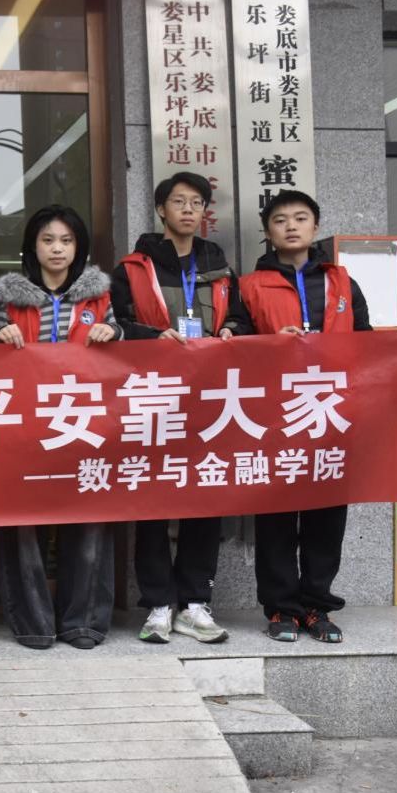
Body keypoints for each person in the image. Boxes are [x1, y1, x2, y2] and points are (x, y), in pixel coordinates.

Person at [110, 171, 252, 645]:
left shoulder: (220, 266)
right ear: (161, 210)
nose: (188, 210)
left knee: (204, 496)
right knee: (154, 498)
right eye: (178, 201)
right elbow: (116, 324)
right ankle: (158, 604)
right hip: (153, 396)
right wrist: (154, 336)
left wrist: (232, 329)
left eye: (196, 202)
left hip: (210, 398)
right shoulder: (133, 268)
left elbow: (242, 318)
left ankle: (195, 602)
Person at [240, 190, 371, 644]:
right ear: (267, 231)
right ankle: (281, 608)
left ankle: (317, 607)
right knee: (276, 515)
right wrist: (272, 342)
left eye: (300, 218)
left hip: (330, 413)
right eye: (280, 219)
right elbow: (232, 345)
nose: (291, 226)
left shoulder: (342, 282)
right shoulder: (248, 286)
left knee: (327, 515)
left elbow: (367, 341)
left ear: (315, 227)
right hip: (273, 415)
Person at [0, 205, 121, 649]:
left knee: (88, 522)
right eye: (48, 240)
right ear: (33, 246)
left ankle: (83, 622)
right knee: (23, 524)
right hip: (24, 427)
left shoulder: (98, 298)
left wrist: (112, 334)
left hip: (83, 424)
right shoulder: (9, 299)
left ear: (78, 247)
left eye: (66, 240)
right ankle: (32, 622)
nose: (57, 249)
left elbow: (120, 343)